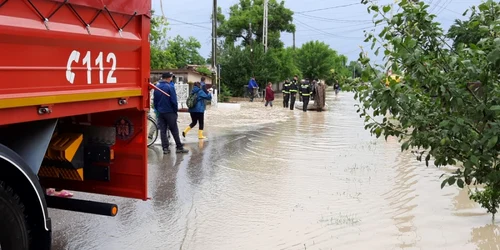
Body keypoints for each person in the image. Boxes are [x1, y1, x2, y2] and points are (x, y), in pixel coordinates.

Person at [153, 72, 189, 154]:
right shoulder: (170, 87)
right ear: (169, 78)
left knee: (163, 130)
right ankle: (179, 147)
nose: (171, 78)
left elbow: (155, 101)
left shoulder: (157, 86)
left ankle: (165, 148)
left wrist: (158, 109)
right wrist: (175, 111)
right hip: (170, 111)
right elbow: (174, 101)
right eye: (171, 77)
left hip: (161, 112)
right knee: (174, 130)